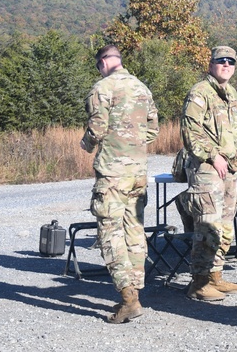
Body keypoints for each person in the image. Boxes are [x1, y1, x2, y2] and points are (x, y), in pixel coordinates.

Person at [80, 44, 160, 324]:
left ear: (103, 63)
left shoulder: (102, 88)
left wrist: (86, 144)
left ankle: (128, 299)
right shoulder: (142, 88)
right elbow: (153, 130)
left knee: (110, 233)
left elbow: (97, 128)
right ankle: (135, 292)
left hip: (113, 172)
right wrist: (131, 144)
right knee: (134, 230)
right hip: (137, 171)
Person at [180, 46, 237, 301]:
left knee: (225, 226)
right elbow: (190, 131)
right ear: (211, 65)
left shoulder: (231, 93)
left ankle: (215, 276)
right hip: (208, 169)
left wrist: (236, 162)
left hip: (230, 169)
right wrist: (212, 155)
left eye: (231, 61)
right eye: (221, 61)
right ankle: (199, 282)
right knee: (208, 225)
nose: (226, 65)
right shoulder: (200, 92)